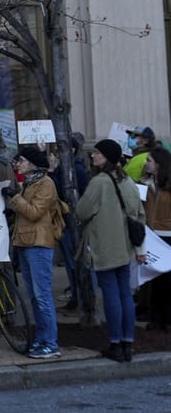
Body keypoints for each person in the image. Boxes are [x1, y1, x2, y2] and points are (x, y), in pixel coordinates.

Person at [75, 139, 146, 363]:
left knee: (111, 295)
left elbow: (81, 211)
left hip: (105, 246)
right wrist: (140, 249)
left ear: (107, 157)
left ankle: (115, 344)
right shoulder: (129, 182)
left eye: (97, 153)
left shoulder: (99, 182)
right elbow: (139, 216)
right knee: (125, 293)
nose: (93, 156)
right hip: (126, 247)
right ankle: (127, 343)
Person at [3, 145, 63, 359]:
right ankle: (41, 338)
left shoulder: (46, 183)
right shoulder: (30, 182)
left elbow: (35, 212)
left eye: (21, 160)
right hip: (26, 242)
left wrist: (15, 198)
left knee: (42, 296)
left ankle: (51, 343)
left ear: (32, 163)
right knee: (35, 297)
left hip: (39, 244)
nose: (18, 164)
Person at [142, 147, 171, 331]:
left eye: (149, 160)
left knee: (168, 282)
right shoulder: (145, 184)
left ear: (159, 164)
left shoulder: (168, 187)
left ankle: (166, 320)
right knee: (155, 280)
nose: (146, 163)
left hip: (168, 237)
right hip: (151, 237)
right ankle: (156, 319)